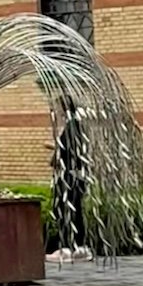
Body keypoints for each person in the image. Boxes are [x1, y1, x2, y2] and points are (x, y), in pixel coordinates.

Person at [48, 100, 91, 263]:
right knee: (76, 210)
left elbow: (67, 152)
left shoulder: (72, 127)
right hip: (77, 175)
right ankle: (79, 247)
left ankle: (67, 247)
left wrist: (55, 155)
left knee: (66, 209)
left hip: (70, 177)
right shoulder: (77, 125)